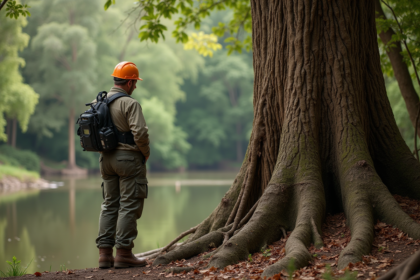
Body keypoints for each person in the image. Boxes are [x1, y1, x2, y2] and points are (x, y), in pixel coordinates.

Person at [95, 61, 150, 269]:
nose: (135, 86)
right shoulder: (130, 103)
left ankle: (104, 255)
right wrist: (145, 153)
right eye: (134, 82)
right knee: (129, 204)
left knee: (109, 204)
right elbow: (141, 133)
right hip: (128, 160)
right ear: (128, 82)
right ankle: (124, 254)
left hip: (105, 160)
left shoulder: (98, 101)